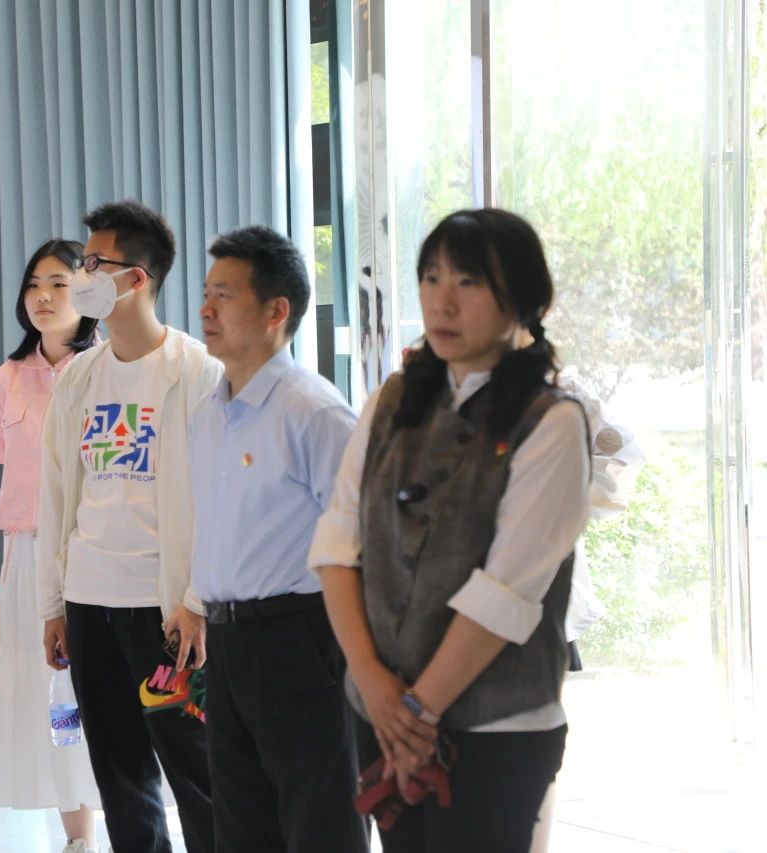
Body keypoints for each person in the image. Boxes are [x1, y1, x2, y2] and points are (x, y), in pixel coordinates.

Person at [309, 208, 591, 852]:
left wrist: (413, 712)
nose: (442, 300)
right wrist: (375, 687)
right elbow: (337, 544)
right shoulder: (392, 401)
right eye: (431, 278)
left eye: (468, 282)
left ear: (524, 299)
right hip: (379, 712)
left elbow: (504, 594)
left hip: (496, 728)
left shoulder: (550, 420)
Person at [37, 200, 221, 853]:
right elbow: (56, 492)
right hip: (90, 602)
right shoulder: (79, 377)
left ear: (136, 277)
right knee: (119, 774)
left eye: (93, 263)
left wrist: (197, 602)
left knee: (196, 769)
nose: (79, 275)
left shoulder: (197, 372)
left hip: (164, 610)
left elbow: (218, 501)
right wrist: (53, 604)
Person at [187, 226, 366, 853]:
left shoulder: (314, 413)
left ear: (276, 311)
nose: (206, 311)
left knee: (321, 820)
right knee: (240, 824)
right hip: (225, 641)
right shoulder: (207, 415)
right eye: (205, 294)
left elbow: (362, 546)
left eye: (224, 296)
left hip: (301, 640)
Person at [0, 239, 103, 853]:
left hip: (94, 548)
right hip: (27, 553)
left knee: (95, 688)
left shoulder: (108, 370)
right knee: (47, 691)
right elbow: (9, 465)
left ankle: (119, 821)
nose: (43, 296)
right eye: (34, 284)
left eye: (59, 283)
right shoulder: (7, 378)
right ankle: (78, 838)